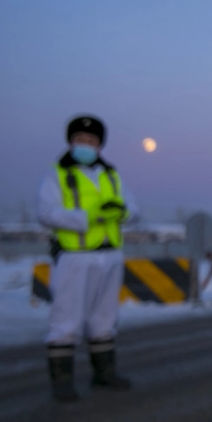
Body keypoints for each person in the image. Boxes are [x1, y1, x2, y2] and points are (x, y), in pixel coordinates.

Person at [37, 115, 138, 402]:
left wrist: (121, 211)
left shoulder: (111, 174)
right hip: (74, 256)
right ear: (70, 142)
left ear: (100, 145)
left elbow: (134, 208)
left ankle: (104, 373)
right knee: (65, 319)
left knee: (105, 318)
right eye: (80, 139)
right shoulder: (58, 174)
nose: (86, 145)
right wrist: (88, 218)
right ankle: (62, 381)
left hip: (109, 255)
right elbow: (46, 213)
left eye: (91, 141)